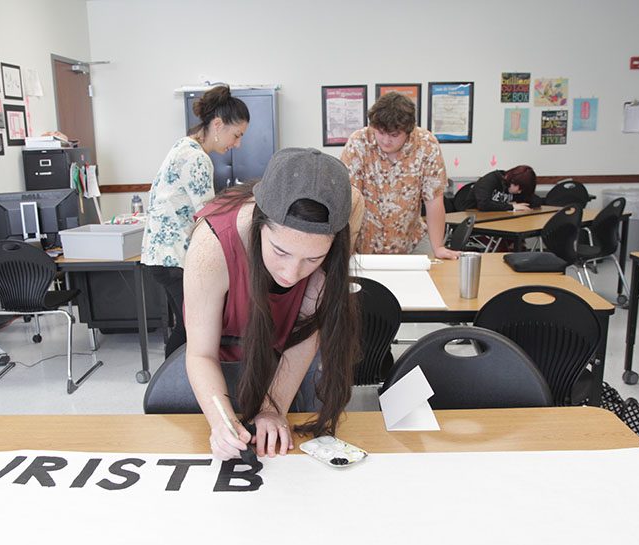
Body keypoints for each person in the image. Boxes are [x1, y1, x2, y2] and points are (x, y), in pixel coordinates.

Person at [183, 148, 360, 461]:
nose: (292, 274)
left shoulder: (346, 215)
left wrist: (273, 408)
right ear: (259, 224)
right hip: (222, 358)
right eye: (280, 251)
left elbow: (306, 331)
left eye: (313, 259)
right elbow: (200, 353)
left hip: (283, 355)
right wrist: (220, 423)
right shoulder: (212, 246)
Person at [141, 85, 249, 357]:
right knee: (193, 326)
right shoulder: (197, 158)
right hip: (173, 257)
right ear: (217, 124)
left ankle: (175, 383)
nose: (237, 144)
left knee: (188, 323)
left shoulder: (183, 145)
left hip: (162, 256)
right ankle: (170, 387)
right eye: (236, 135)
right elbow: (209, 216)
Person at [340, 92, 459, 259]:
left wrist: (438, 247)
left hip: (411, 241)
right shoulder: (359, 143)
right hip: (363, 245)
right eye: (380, 132)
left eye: (394, 135)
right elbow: (350, 201)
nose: (386, 140)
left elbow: (434, 200)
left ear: (408, 130)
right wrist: (347, 250)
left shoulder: (426, 145)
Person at [471, 165, 538, 211]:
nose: (519, 192)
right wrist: (511, 206)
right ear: (513, 181)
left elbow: (535, 201)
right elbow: (483, 204)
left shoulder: (516, 187)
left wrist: (516, 204)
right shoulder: (490, 180)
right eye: (520, 189)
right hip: (474, 219)